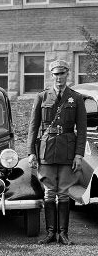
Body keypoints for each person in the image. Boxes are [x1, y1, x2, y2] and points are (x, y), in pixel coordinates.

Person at [28, 59, 87, 246]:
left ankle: (63, 234)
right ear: (51, 75)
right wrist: (31, 152)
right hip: (46, 149)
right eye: (56, 74)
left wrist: (79, 154)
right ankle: (50, 233)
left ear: (67, 74)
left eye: (62, 74)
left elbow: (82, 129)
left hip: (68, 150)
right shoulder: (42, 97)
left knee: (63, 193)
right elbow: (33, 126)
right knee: (49, 193)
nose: (59, 78)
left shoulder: (76, 98)